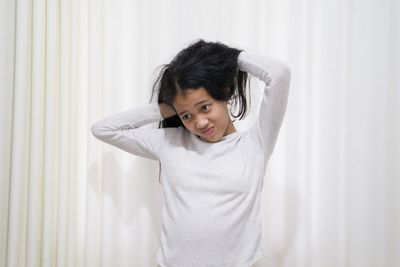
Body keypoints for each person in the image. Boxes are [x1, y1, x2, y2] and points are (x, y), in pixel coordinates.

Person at [91, 39, 291, 267]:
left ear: (224, 93)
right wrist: (167, 108)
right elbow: (103, 129)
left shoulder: (256, 144)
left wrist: (222, 56)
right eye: (187, 116)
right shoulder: (170, 142)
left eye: (205, 107)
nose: (200, 122)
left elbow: (279, 74)